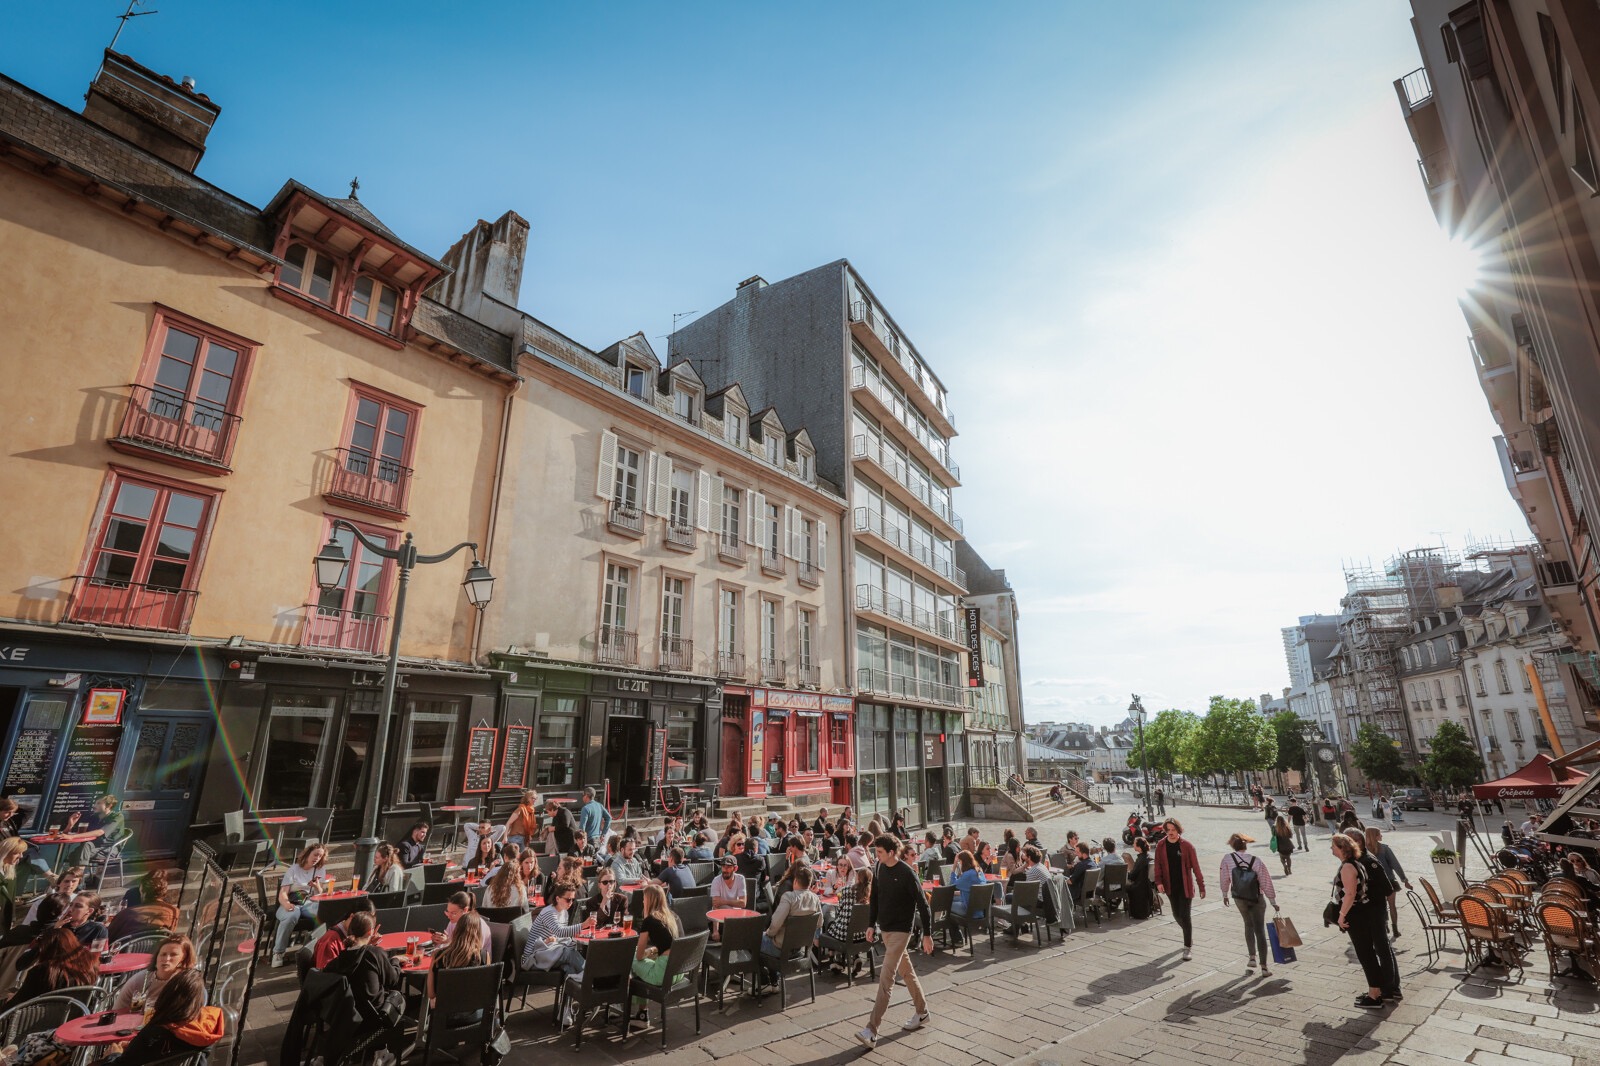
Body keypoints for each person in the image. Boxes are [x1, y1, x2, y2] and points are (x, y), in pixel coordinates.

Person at [854, 834, 932, 1051]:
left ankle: (871, 1029)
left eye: (878, 852)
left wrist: (927, 934)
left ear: (891, 852)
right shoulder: (879, 868)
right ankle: (922, 1012)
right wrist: (871, 924)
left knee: (885, 979)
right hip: (885, 930)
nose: (875, 856)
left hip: (901, 931)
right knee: (906, 972)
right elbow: (875, 897)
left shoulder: (907, 873)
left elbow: (923, 904)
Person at [103, 968, 223, 1066]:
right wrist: (132, 1047)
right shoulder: (206, 1029)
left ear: (166, 996)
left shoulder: (154, 1035)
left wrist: (113, 1055)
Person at [325, 911, 405, 1051]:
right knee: (399, 998)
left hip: (348, 1017)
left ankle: (380, 1051)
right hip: (374, 1018)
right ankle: (384, 1052)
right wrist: (396, 961)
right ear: (370, 932)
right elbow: (393, 979)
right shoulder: (374, 953)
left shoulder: (340, 959)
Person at [1332, 833, 1396, 1008]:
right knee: (1368, 954)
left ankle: (1375, 994)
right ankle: (1375, 991)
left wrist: (1341, 915)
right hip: (1364, 914)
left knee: (1366, 955)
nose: (1331, 849)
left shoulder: (1347, 867)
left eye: (1333, 846)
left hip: (1357, 915)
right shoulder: (1357, 863)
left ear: (1341, 849)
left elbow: (1350, 894)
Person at [1219, 833, 1278, 975]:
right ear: (1246, 845)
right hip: (1256, 897)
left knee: (1247, 924)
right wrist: (1272, 901)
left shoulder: (1227, 858)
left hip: (1239, 897)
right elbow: (1265, 881)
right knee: (1260, 930)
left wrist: (1225, 894)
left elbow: (1224, 878)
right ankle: (1264, 967)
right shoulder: (1256, 860)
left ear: (1232, 845)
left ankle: (1252, 957)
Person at [5, 927, 98, 1010]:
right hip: (74, 1018)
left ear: (46, 948)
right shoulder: (89, 965)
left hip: (37, 1022)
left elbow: (18, 1004)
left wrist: (10, 1000)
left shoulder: (44, 970)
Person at [1151, 818, 1204, 961]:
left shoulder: (1187, 846)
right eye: (1168, 830)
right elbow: (1157, 866)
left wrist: (1201, 885)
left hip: (1185, 886)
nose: (1171, 833)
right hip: (1170, 886)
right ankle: (1189, 934)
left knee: (1185, 916)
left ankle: (1187, 947)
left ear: (1178, 830)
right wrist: (1159, 882)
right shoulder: (1161, 846)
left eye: (1173, 830)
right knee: (1176, 915)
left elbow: (1196, 867)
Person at [519, 880, 592, 976]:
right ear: (557, 899)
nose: (571, 903)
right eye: (568, 899)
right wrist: (583, 925)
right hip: (532, 958)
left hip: (547, 951)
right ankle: (590, 977)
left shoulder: (564, 912)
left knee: (569, 968)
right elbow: (560, 932)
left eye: (572, 900)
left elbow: (560, 935)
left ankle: (582, 986)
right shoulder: (549, 912)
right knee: (569, 953)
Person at [272, 843, 328, 966]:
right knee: (292, 915)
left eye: (320, 856)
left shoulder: (320, 869)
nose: (317, 858)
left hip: (308, 902)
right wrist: (286, 904)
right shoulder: (294, 869)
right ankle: (278, 953)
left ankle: (316, 948)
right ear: (308, 854)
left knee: (324, 913)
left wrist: (317, 886)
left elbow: (320, 894)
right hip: (291, 902)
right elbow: (282, 893)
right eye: (315, 855)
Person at [428, 911, 488, 1027]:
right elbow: (484, 992)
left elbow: (431, 994)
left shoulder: (438, 956)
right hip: (474, 1016)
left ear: (456, 930)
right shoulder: (483, 956)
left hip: (446, 1018)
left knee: (433, 1002)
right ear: (478, 933)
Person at [762, 866, 820, 982]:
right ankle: (773, 981)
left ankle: (766, 982)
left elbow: (775, 924)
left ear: (795, 881)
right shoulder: (815, 898)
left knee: (752, 940)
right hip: (801, 949)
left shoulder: (789, 897)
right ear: (809, 883)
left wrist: (768, 934)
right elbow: (819, 923)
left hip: (781, 948)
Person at [113, 934, 199, 1012]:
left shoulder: (186, 984)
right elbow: (117, 1011)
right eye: (163, 954)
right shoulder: (140, 981)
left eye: (173, 954)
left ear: (184, 959)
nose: (166, 959)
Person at [821, 866, 872, 974]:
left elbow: (840, 913)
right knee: (841, 926)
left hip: (846, 935)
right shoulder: (872, 894)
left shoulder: (847, 891)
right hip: (865, 935)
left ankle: (834, 960)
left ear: (857, 878)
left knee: (830, 923)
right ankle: (855, 957)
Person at [64, 795, 125, 883]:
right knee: (79, 851)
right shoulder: (93, 817)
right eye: (95, 803)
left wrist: (72, 837)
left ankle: (76, 882)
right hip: (91, 848)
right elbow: (73, 833)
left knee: (80, 850)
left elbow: (100, 832)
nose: (94, 805)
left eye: (98, 803)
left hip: (109, 849)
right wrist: (71, 824)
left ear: (109, 805)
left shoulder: (117, 816)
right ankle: (77, 881)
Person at [1364, 826, 1410, 941]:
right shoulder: (1385, 849)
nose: (1381, 836)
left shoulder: (1363, 850)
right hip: (1389, 881)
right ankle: (1395, 929)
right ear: (1375, 836)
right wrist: (1404, 880)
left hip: (1373, 884)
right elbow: (1395, 865)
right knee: (1392, 906)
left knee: (1380, 906)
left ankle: (1384, 925)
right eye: (1379, 834)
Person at [107, 867, 178, 942]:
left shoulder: (126, 914)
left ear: (142, 891)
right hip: (157, 950)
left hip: (129, 951)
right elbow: (170, 936)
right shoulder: (173, 912)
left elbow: (108, 938)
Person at [311, 899, 373, 970]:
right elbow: (325, 975)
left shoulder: (355, 937)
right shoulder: (330, 942)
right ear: (352, 917)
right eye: (363, 924)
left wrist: (368, 945)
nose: (367, 930)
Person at [434, 891, 492, 957]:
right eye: (447, 911)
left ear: (465, 910)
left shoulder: (476, 925)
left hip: (476, 962)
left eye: (453, 913)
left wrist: (448, 941)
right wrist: (440, 941)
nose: (449, 916)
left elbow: (470, 953)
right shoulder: (453, 922)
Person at [946, 851, 985, 948]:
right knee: (953, 898)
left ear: (962, 862)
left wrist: (954, 868)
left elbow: (952, 885)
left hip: (970, 911)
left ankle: (957, 938)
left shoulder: (967, 875)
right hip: (980, 909)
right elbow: (970, 889)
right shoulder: (979, 871)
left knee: (947, 904)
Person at [1126, 837, 1155, 920]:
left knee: (1123, 886)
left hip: (1139, 886)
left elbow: (1132, 876)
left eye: (1134, 844)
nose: (1133, 845)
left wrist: (1126, 872)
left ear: (1138, 846)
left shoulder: (1141, 859)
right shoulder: (1149, 856)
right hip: (1148, 885)